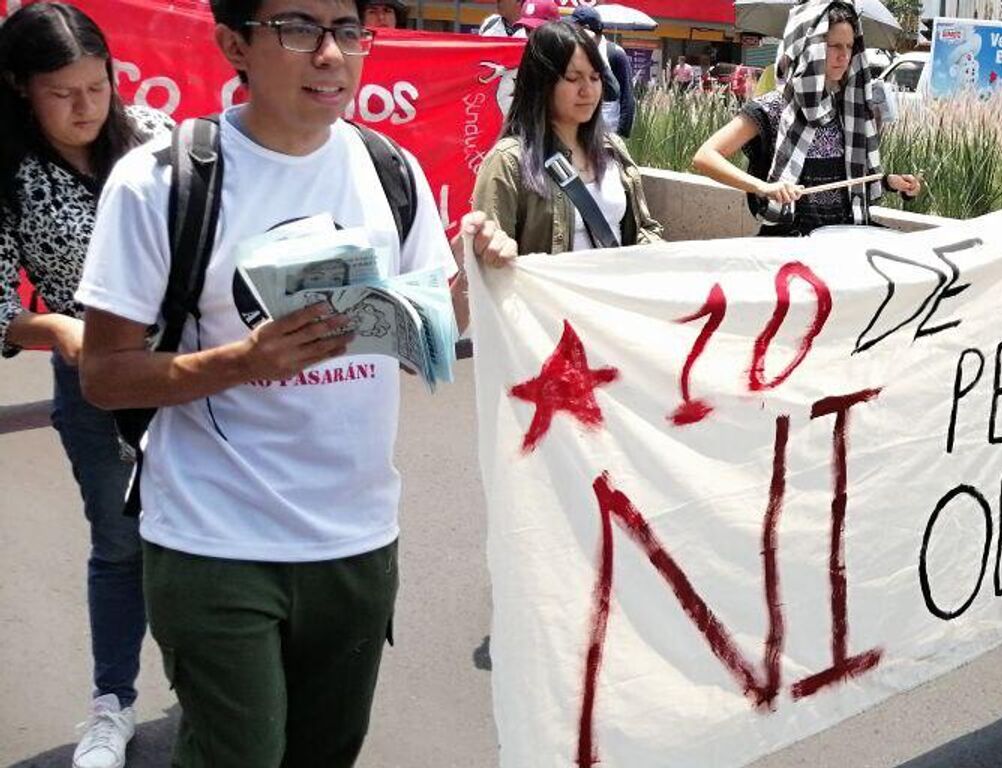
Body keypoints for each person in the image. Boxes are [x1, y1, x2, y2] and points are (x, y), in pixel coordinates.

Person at [73, 0, 516, 761]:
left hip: (358, 541)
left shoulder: (389, 170)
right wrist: (242, 362)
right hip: (215, 540)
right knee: (237, 755)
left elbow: (427, 339)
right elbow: (105, 377)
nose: (331, 55)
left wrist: (476, 273)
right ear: (233, 44)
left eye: (347, 31)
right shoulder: (160, 181)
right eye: (299, 28)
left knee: (326, 753)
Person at [0, 6, 174, 766]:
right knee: (119, 543)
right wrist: (56, 329)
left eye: (97, 86)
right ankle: (114, 704)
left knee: (210, 532)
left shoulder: (159, 143)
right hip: (93, 378)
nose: (85, 107)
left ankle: (214, 682)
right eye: (61, 92)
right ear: (19, 91)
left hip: (191, 370)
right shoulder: (8, 173)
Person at [690, 0, 921, 237]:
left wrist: (889, 182)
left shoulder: (850, 110)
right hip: (792, 246)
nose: (844, 56)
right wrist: (764, 187)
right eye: (834, 46)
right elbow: (705, 156)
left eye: (850, 46)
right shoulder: (772, 108)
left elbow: (847, 178)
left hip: (844, 238)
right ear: (809, 48)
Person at [473, 20, 664, 254]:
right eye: (573, 78)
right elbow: (488, 256)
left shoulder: (612, 148)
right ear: (542, 82)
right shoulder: (508, 162)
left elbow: (641, 229)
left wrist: (664, 256)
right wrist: (496, 249)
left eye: (595, 78)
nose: (588, 90)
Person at [569, 7, 633, 137]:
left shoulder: (614, 53)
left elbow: (627, 97)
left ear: (586, 29)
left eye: (575, 29)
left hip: (608, 132)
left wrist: (620, 134)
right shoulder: (576, 51)